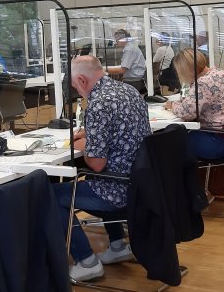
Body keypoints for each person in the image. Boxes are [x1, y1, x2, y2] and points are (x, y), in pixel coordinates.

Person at [53, 55, 150, 282]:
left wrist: (84, 145)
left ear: (82, 80)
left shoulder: (98, 103)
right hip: (140, 183)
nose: (79, 92)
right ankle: (117, 246)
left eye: (76, 87)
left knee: (50, 195)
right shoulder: (128, 91)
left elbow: (97, 163)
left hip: (117, 189)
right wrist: (92, 134)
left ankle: (86, 261)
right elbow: (120, 127)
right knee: (95, 179)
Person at [165, 49, 224, 159]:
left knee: (169, 142)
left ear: (187, 70)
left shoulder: (203, 83)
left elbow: (187, 112)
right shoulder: (220, 73)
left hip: (218, 141)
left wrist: (172, 105)